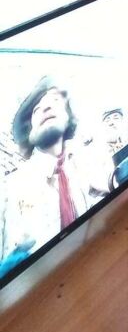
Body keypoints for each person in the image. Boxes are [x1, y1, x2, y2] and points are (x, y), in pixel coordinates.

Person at [0, 77, 97, 273]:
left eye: (55, 101)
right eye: (36, 110)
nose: (45, 107)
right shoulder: (8, 191)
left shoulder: (86, 171)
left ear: (68, 117)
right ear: (29, 131)